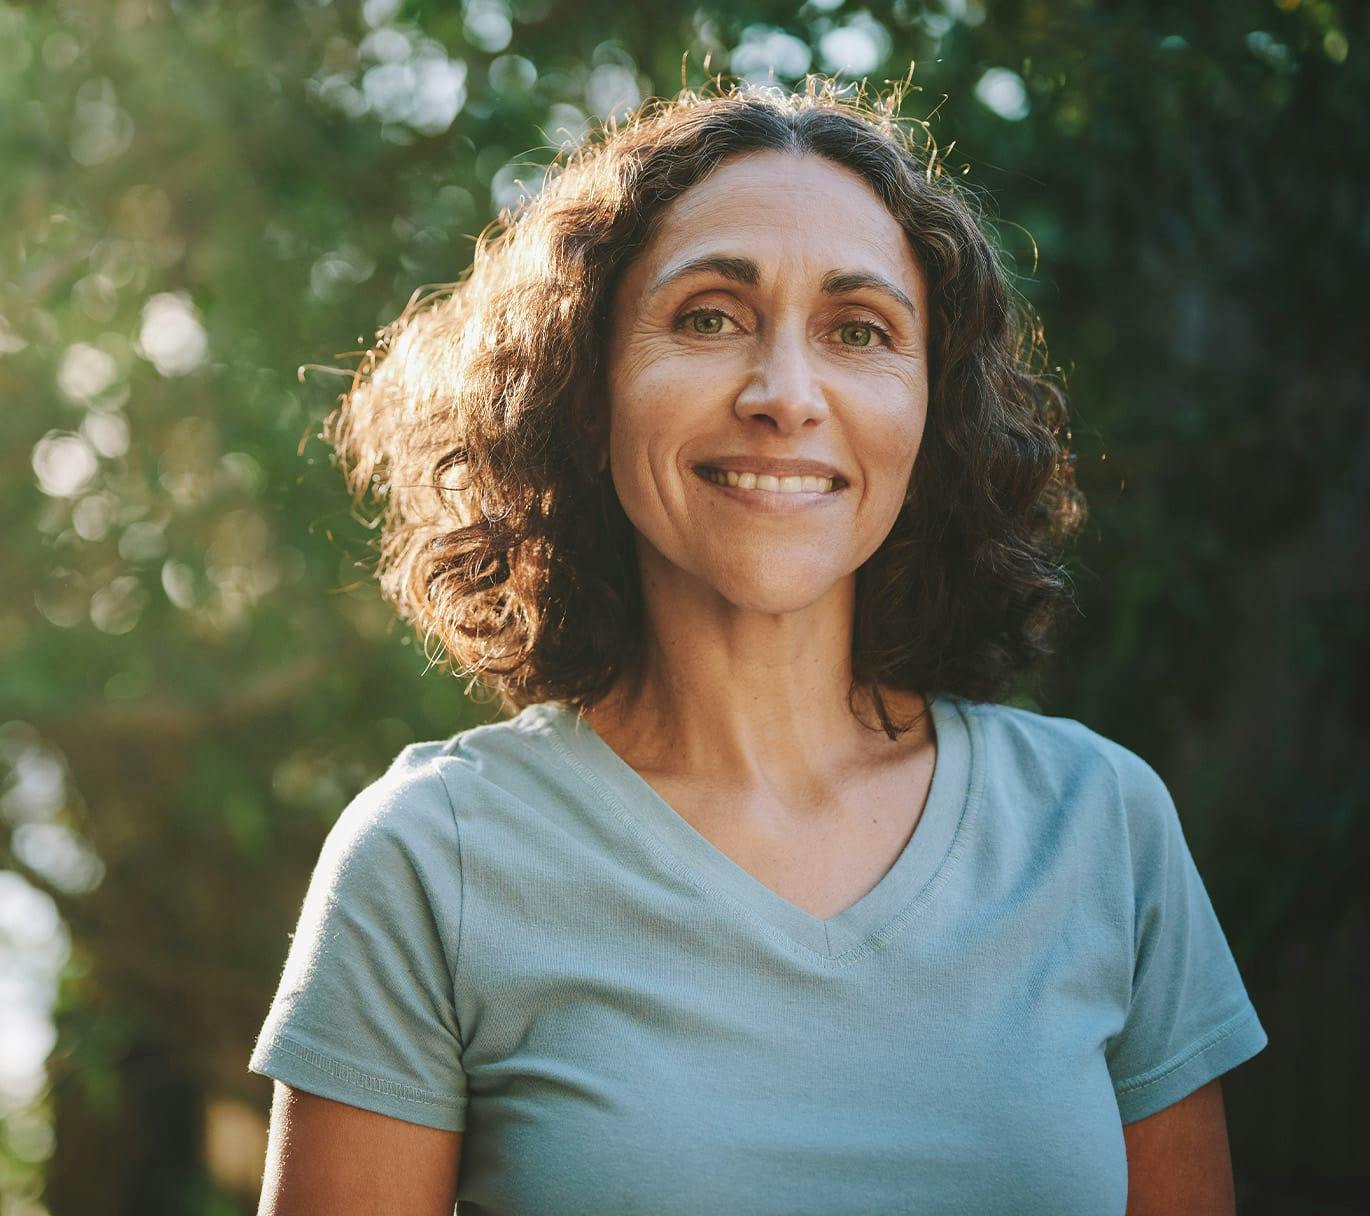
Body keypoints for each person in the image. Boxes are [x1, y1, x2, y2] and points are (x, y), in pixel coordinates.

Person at [248, 80, 1267, 1215]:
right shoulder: (432, 861)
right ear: (587, 392)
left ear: (930, 413)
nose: (786, 394)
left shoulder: (1098, 829)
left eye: (857, 332)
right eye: (708, 317)